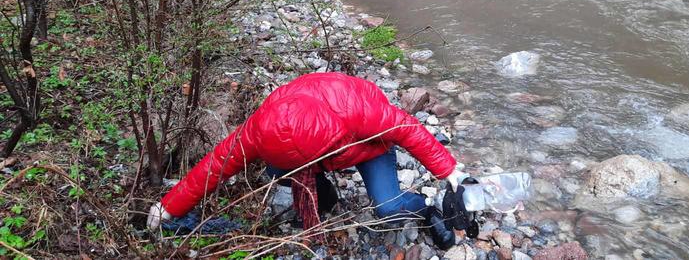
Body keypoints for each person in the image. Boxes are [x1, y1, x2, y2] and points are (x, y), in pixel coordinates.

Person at [147, 73, 469, 249]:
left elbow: (407, 129)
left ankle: (425, 209)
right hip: (314, 155)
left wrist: (450, 171)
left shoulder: (354, 108)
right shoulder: (259, 130)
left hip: (369, 148)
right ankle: (322, 196)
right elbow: (214, 166)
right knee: (278, 170)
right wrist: (168, 207)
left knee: (386, 209)